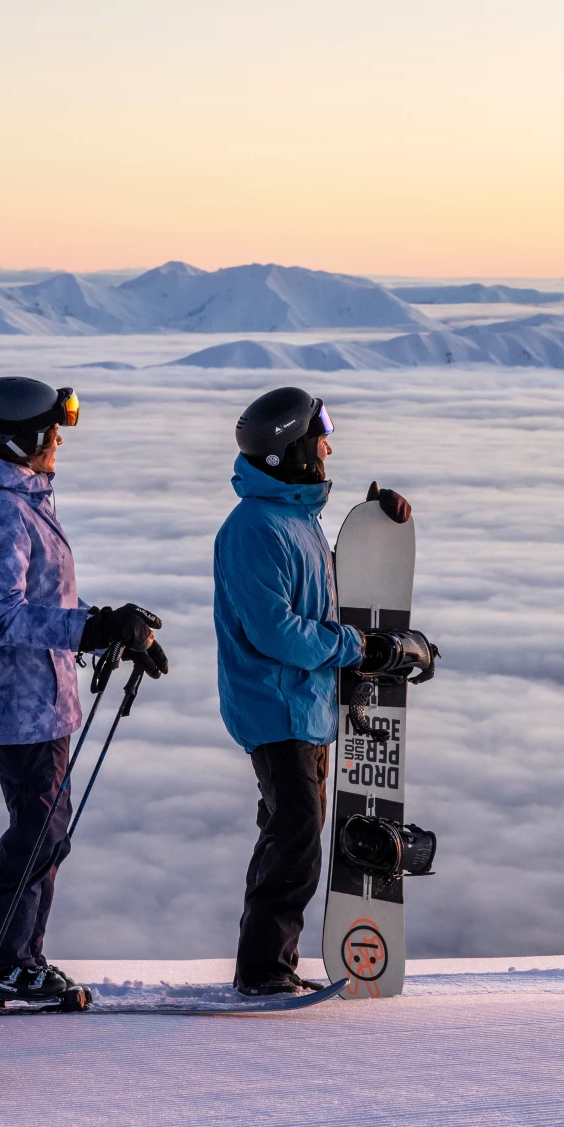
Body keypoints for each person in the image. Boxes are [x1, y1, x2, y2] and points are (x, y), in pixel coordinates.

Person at [0, 376, 161, 1014]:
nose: (58, 439)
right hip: (21, 702)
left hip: (41, 697)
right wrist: (92, 626)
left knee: (44, 833)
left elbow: (44, 603)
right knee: (37, 833)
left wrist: (110, 627)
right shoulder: (1, 508)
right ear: (20, 437)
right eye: (51, 429)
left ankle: (15, 959)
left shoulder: (19, 497)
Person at [214, 387, 426, 996]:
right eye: (320, 433)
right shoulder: (257, 530)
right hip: (274, 707)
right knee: (299, 841)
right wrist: (353, 648)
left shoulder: (294, 522)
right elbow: (275, 630)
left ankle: (268, 962)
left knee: (289, 833)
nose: (329, 442)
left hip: (304, 709)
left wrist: (372, 526)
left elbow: (320, 593)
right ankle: (263, 973)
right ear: (292, 450)